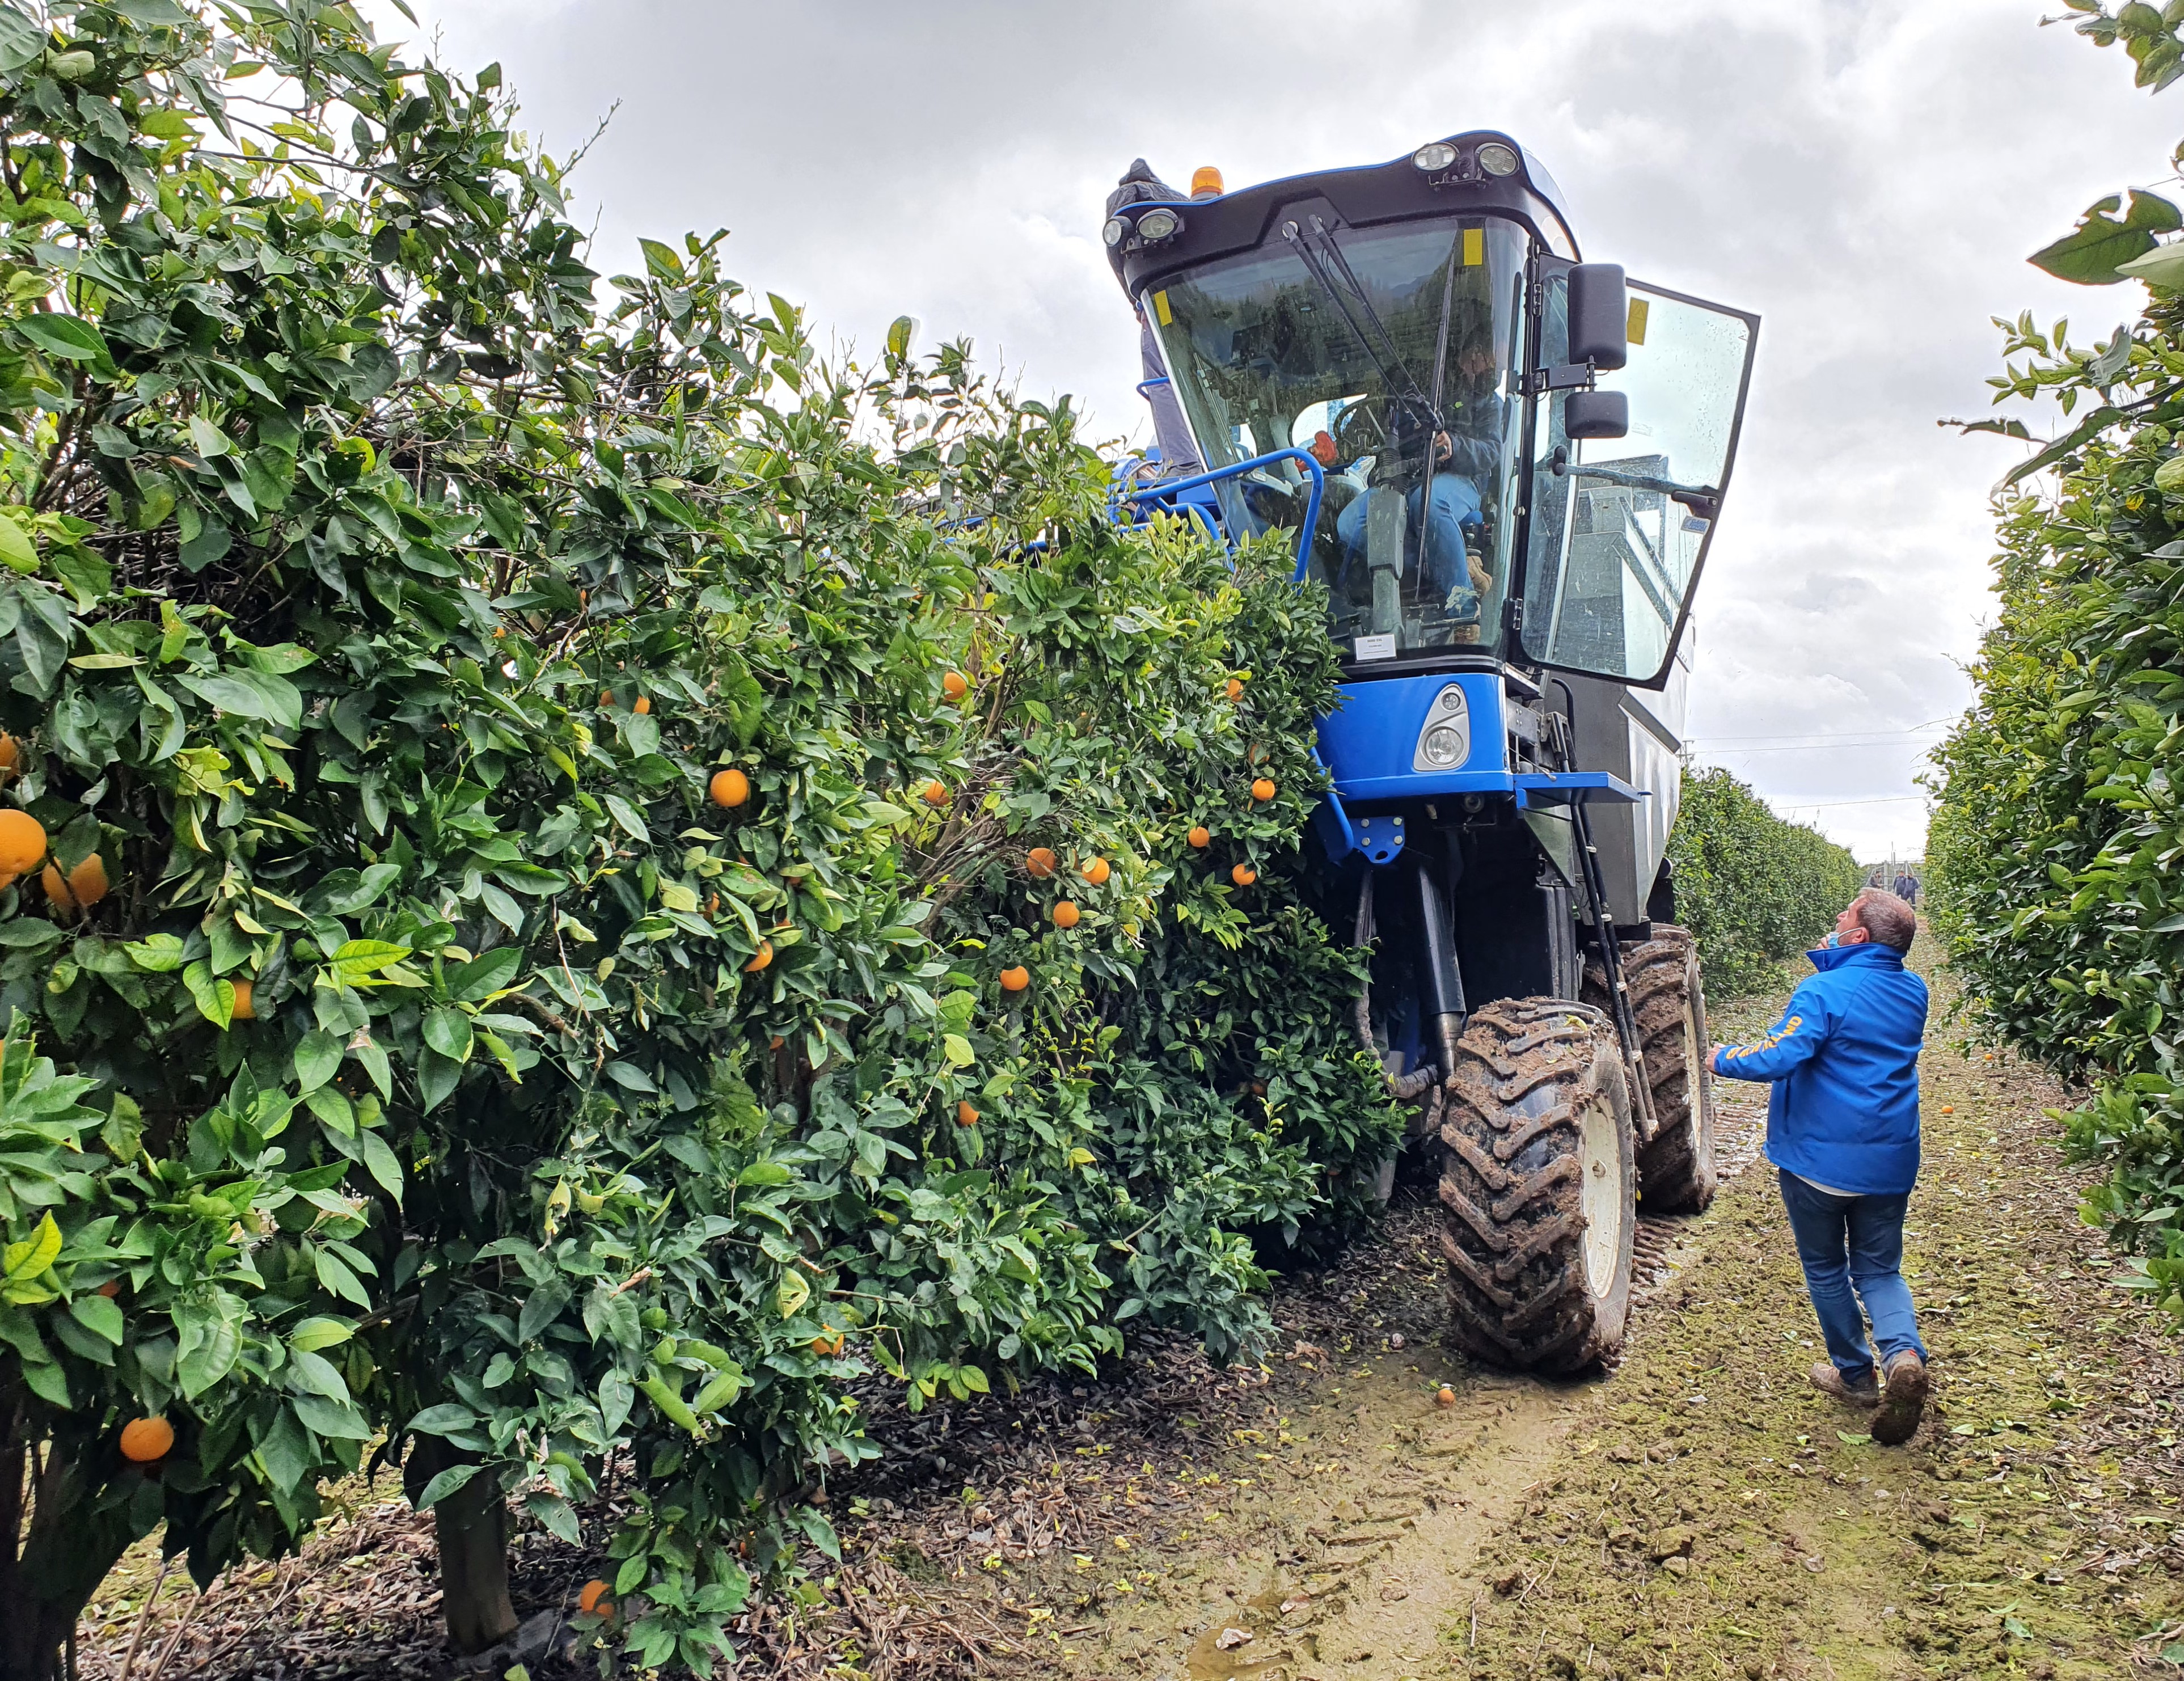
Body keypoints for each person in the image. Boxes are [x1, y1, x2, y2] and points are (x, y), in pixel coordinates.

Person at [1709, 890, 1931, 1445]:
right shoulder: (1912, 990)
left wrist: (1716, 1057)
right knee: (1879, 1271)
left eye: (1845, 916)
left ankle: (1855, 1376)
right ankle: (1902, 1356)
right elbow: (1858, 1005)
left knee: (1827, 1269)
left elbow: (1779, 1055)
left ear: (1856, 937)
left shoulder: (1822, 990)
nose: (1835, 919)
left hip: (1818, 1162)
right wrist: (1830, 958)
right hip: (1889, 1159)